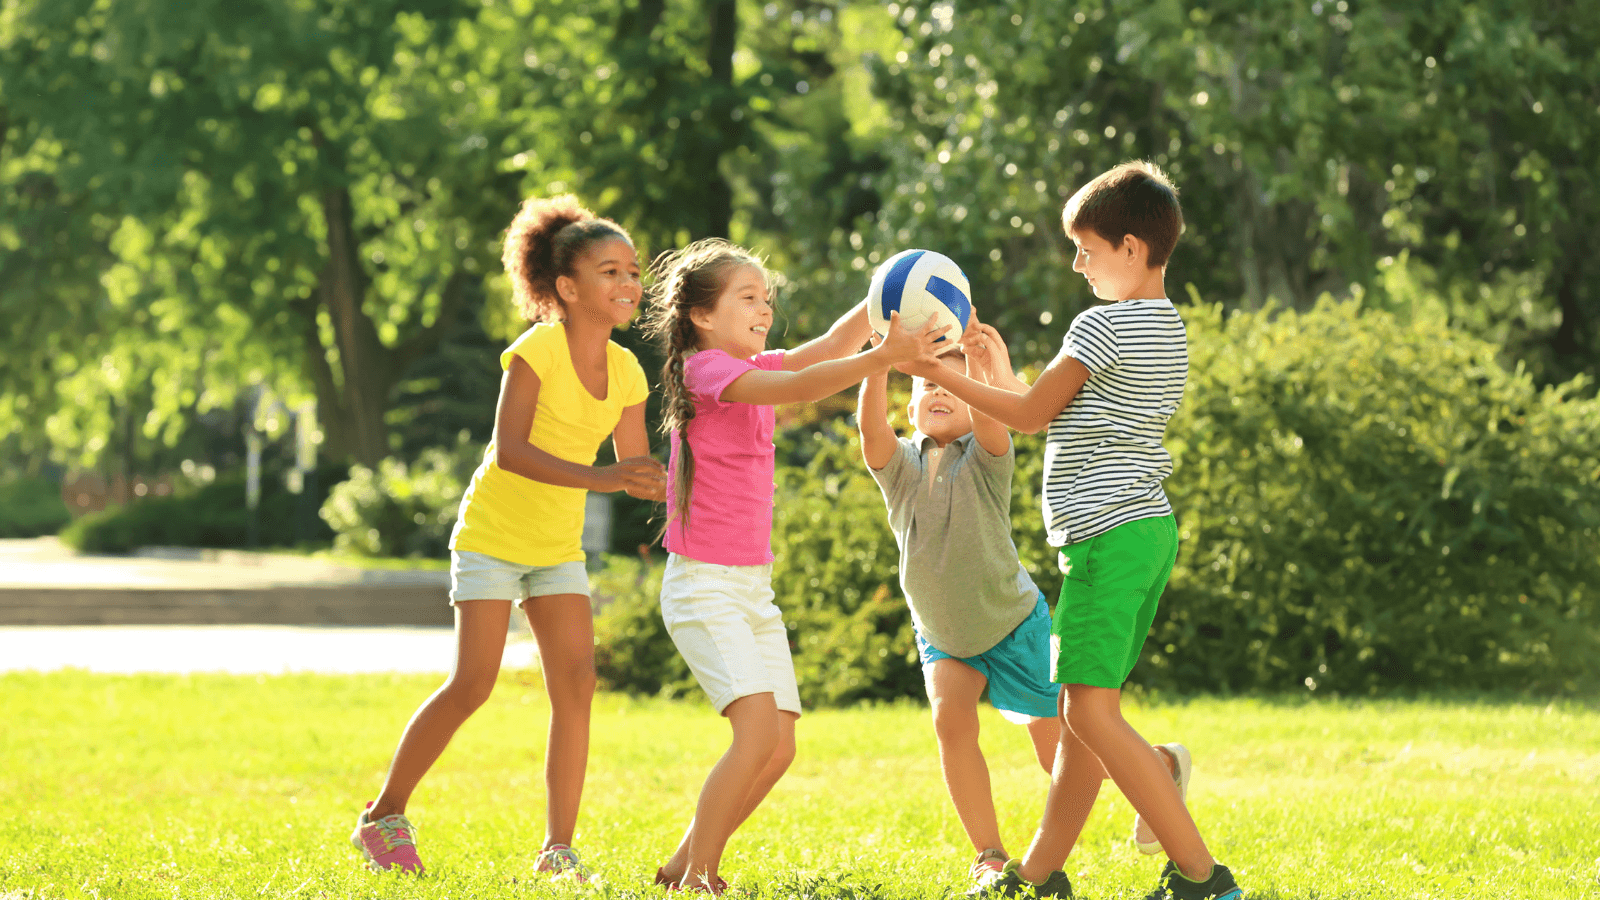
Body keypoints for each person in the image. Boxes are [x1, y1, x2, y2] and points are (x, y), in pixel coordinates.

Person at [895, 161, 1242, 900]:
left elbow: (1024, 417)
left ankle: (1204, 878)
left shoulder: (1101, 324)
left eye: (1084, 249)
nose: (1078, 264)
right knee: (1081, 716)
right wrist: (999, 370)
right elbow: (1062, 411)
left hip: (1106, 541)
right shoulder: (1166, 327)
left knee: (1087, 710)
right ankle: (1038, 876)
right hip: (1143, 533)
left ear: (1128, 247)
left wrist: (941, 371)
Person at [349, 196, 666, 879]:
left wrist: (666, 485)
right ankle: (383, 817)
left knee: (577, 683)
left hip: (555, 549)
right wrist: (607, 477)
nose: (628, 284)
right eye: (610, 271)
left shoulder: (629, 372)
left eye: (633, 271)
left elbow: (632, 471)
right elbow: (512, 450)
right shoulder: (537, 350)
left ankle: (558, 850)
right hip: (493, 534)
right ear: (568, 288)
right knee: (473, 684)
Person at [638, 238, 948, 894]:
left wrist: (884, 302)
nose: (765, 308)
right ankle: (701, 877)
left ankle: (676, 868)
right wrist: (886, 357)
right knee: (753, 738)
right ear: (701, 315)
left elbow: (823, 350)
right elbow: (803, 383)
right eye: (748, 297)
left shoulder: (749, 365)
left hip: (753, 587)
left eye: (768, 299)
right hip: (705, 588)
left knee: (778, 748)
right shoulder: (706, 372)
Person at [860, 342, 1193, 888]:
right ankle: (989, 856)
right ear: (911, 405)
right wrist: (876, 362)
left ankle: (1160, 766)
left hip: (1015, 626)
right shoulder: (900, 468)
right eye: (928, 385)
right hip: (943, 635)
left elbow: (992, 422)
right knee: (950, 721)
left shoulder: (987, 457)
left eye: (952, 383)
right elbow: (871, 431)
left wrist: (975, 361)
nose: (940, 390)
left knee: (1061, 757)